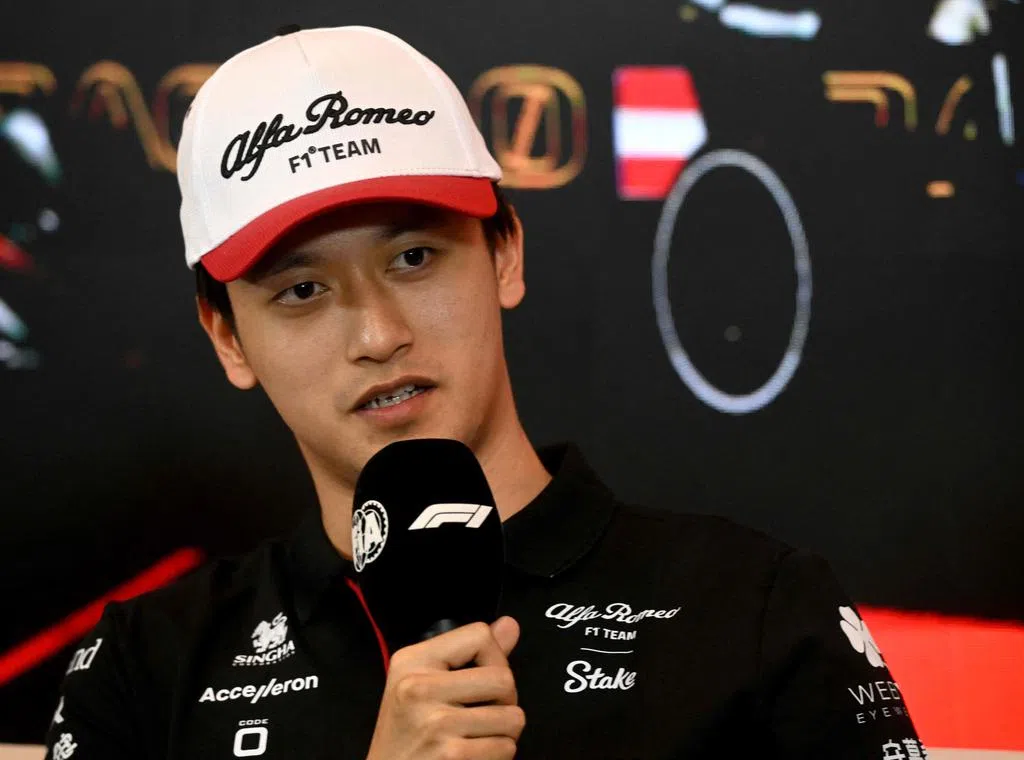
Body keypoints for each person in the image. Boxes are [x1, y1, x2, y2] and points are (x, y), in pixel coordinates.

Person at [44, 24, 925, 759]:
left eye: (414, 257)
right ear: (227, 336)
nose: (378, 334)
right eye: (303, 291)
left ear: (505, 253)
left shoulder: (755, 609)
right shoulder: (141, 668)